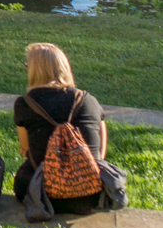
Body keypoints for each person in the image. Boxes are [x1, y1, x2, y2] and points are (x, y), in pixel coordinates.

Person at [12, 42, 108, 214]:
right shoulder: (88, 100)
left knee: (22, 178)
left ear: (35, 70)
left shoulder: (25, 104)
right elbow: (101, 147)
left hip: (43, 194)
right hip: (89, 194)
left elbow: (25, 148)